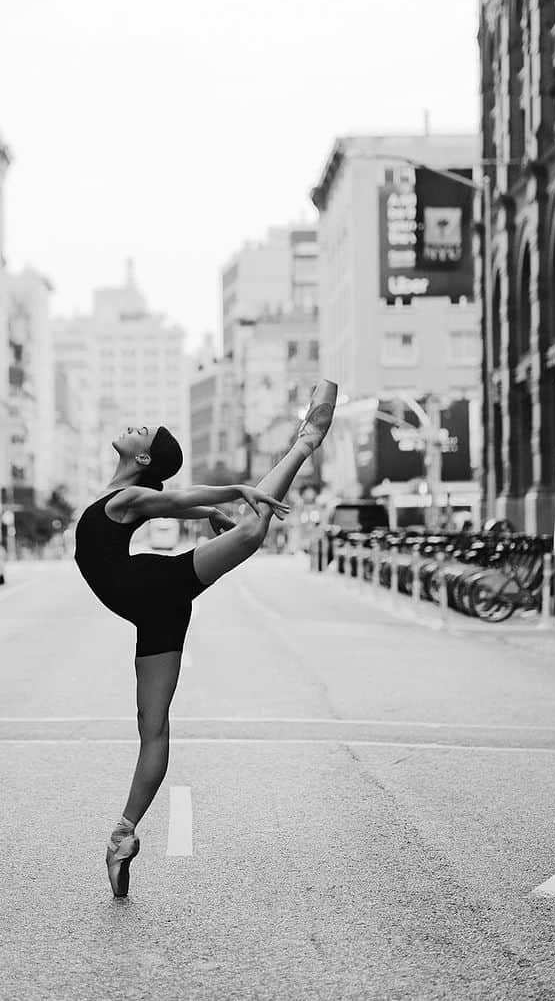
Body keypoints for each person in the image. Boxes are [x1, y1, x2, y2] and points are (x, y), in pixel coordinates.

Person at [74, 379, 338, 898]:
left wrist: (233, 493)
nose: (133, 427)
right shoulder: (130, 498)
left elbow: (177, 498)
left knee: (250, 533)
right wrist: (211, 509)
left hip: (151, 588)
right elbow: (173, 504)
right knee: (152, 731)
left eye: (141, 430)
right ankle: (122, 836)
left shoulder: (124, 497)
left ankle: (305, 442)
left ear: (144, 455)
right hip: (158, 613)